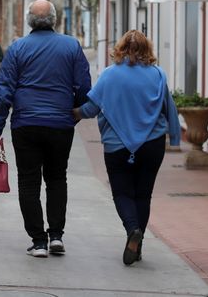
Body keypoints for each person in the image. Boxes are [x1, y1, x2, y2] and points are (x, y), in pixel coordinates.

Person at [0, 0, 91, 258]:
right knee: (57, 178)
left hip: (26, 124)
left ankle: (38, 241)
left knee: (29, 181)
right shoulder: (71, 46)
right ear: (54, 19)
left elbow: (4, 91)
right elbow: (83, 85)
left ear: (29, 20)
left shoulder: (17, 49)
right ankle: (56, 235)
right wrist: (76, 112)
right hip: (60, 123)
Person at [73, 29, 180, 266]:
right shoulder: (158, 75)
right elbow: (168, 107)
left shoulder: (110, 75)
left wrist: (72, 114)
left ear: (120, 49)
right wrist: (174, 137)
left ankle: (133, 230)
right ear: (147, 50)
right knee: (143, 194)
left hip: (117, 146)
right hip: (152, 145)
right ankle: (137, 246)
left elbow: (91, 109)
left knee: (122, 192)